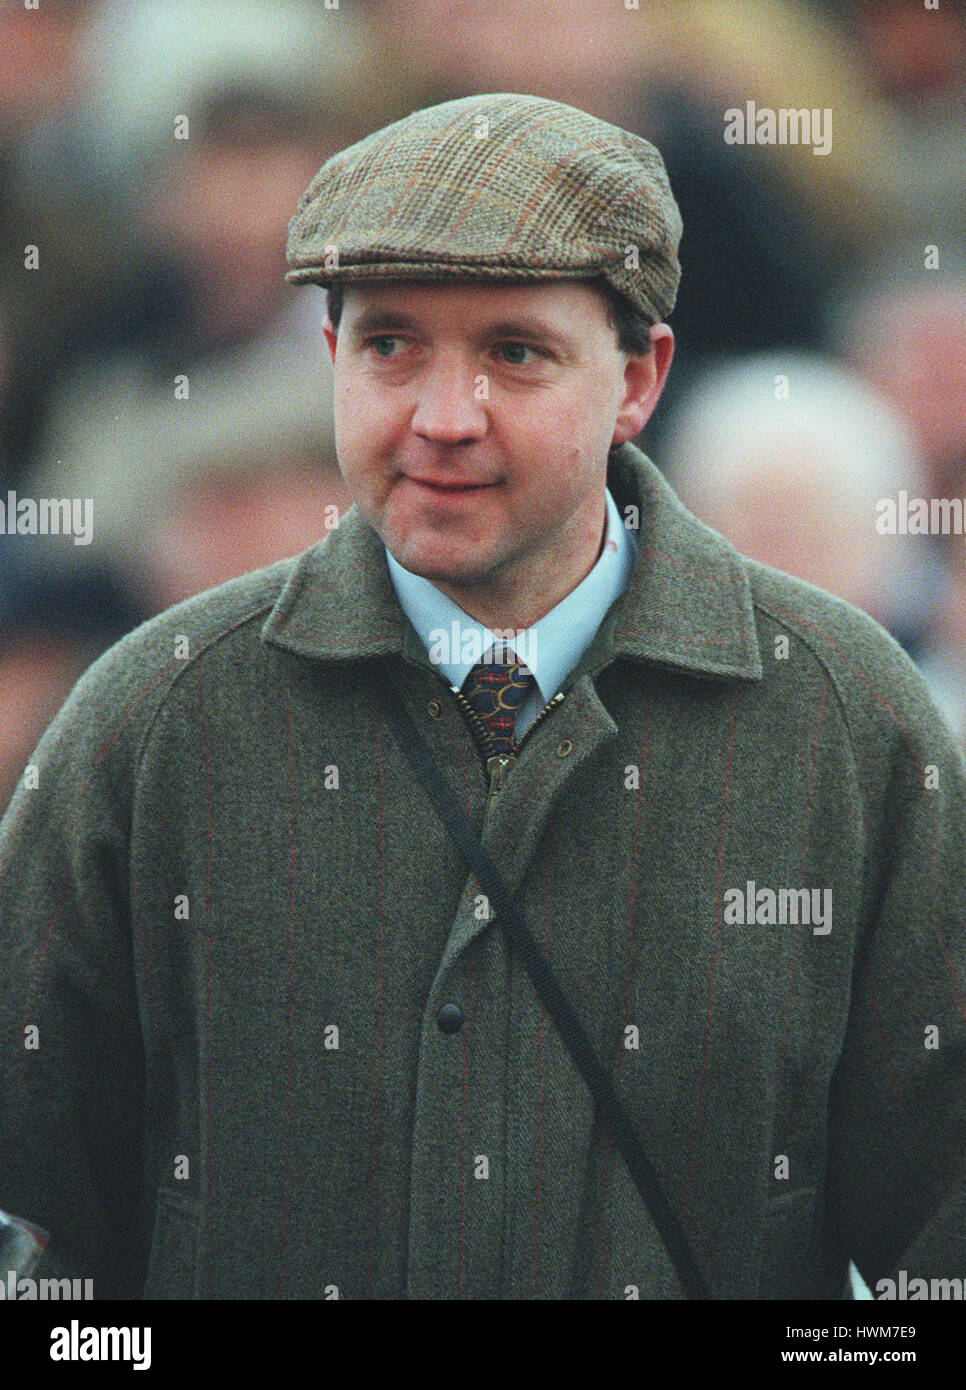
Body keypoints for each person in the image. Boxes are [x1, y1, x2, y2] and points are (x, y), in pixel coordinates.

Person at [0, 92, 963, 1302]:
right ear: (330, 359)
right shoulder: (150, 724)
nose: (442, 420)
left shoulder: (848, 722)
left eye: (515, 351)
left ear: (638, 379)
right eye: (389, 345)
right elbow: (32, 1230)